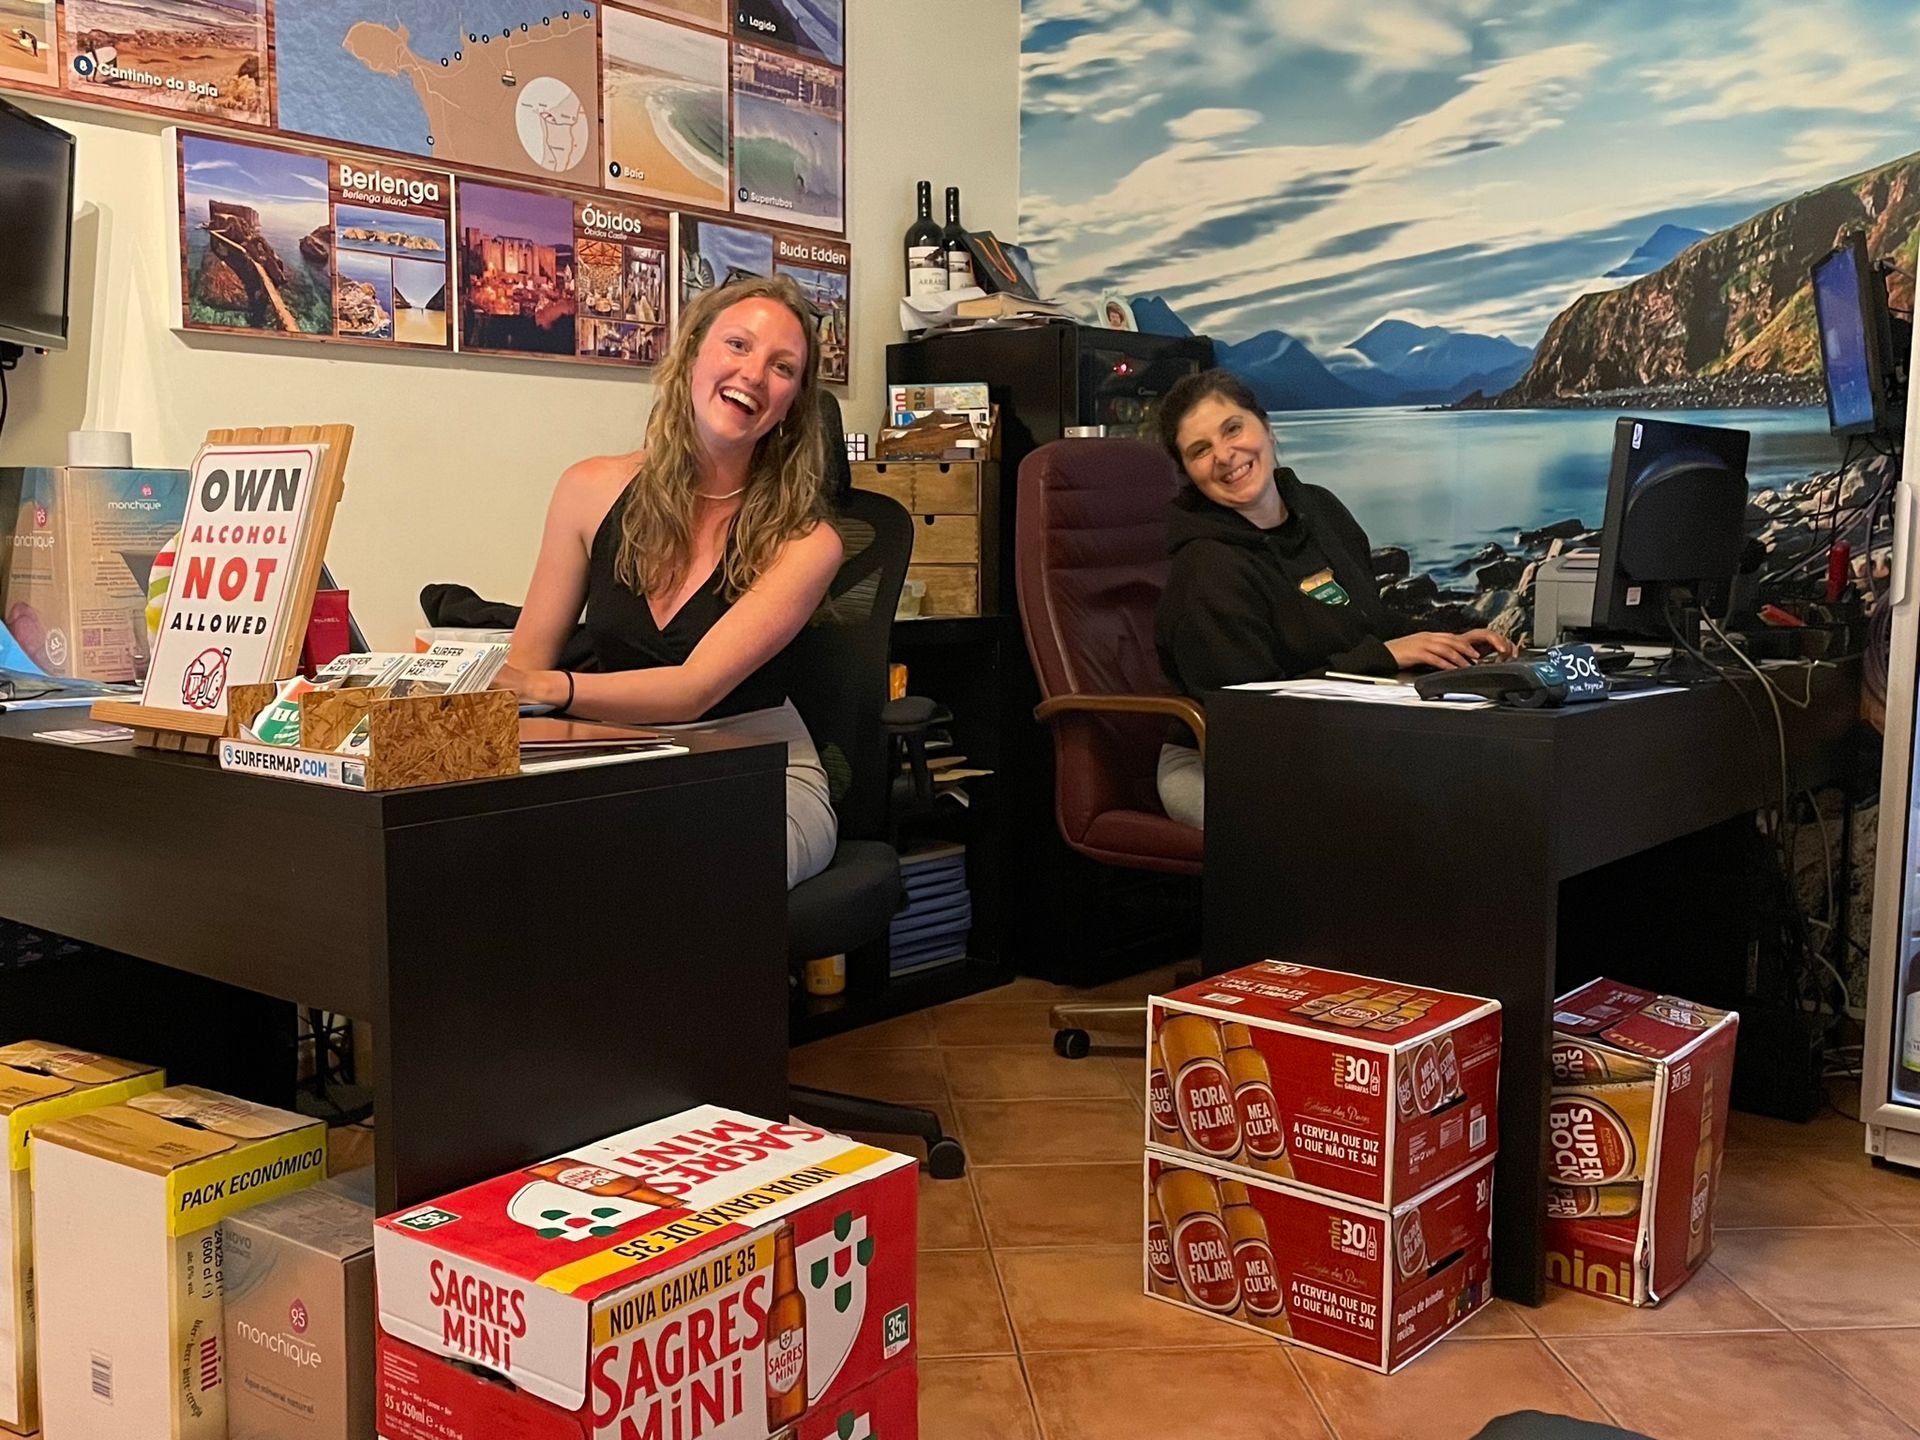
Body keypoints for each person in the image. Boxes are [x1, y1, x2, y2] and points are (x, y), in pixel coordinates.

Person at [495, 275, 843, 888]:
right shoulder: (588, 490)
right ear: (690, 356)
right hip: (622, 761)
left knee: (667, 876)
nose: (754, 375)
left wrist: (547, 686)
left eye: (782, 367)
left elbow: (691, 691)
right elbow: (522, 667)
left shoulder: (807, 542)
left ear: (792, 404)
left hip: (760, 775)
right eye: (737, 345)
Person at [1152, 368, 1515, 829]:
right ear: (1187, 474)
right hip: (1223, 763)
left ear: (1266, 426)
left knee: (1491, 784)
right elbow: (1252, 717)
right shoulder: (1208, 571)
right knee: (1411, 821)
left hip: (1333, 734)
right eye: (1200, 450)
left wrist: (1453, 642)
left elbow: (1366, 620)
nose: (1225, 455)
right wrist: (1380, 657)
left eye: (1233, 428)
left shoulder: (1318, 509)